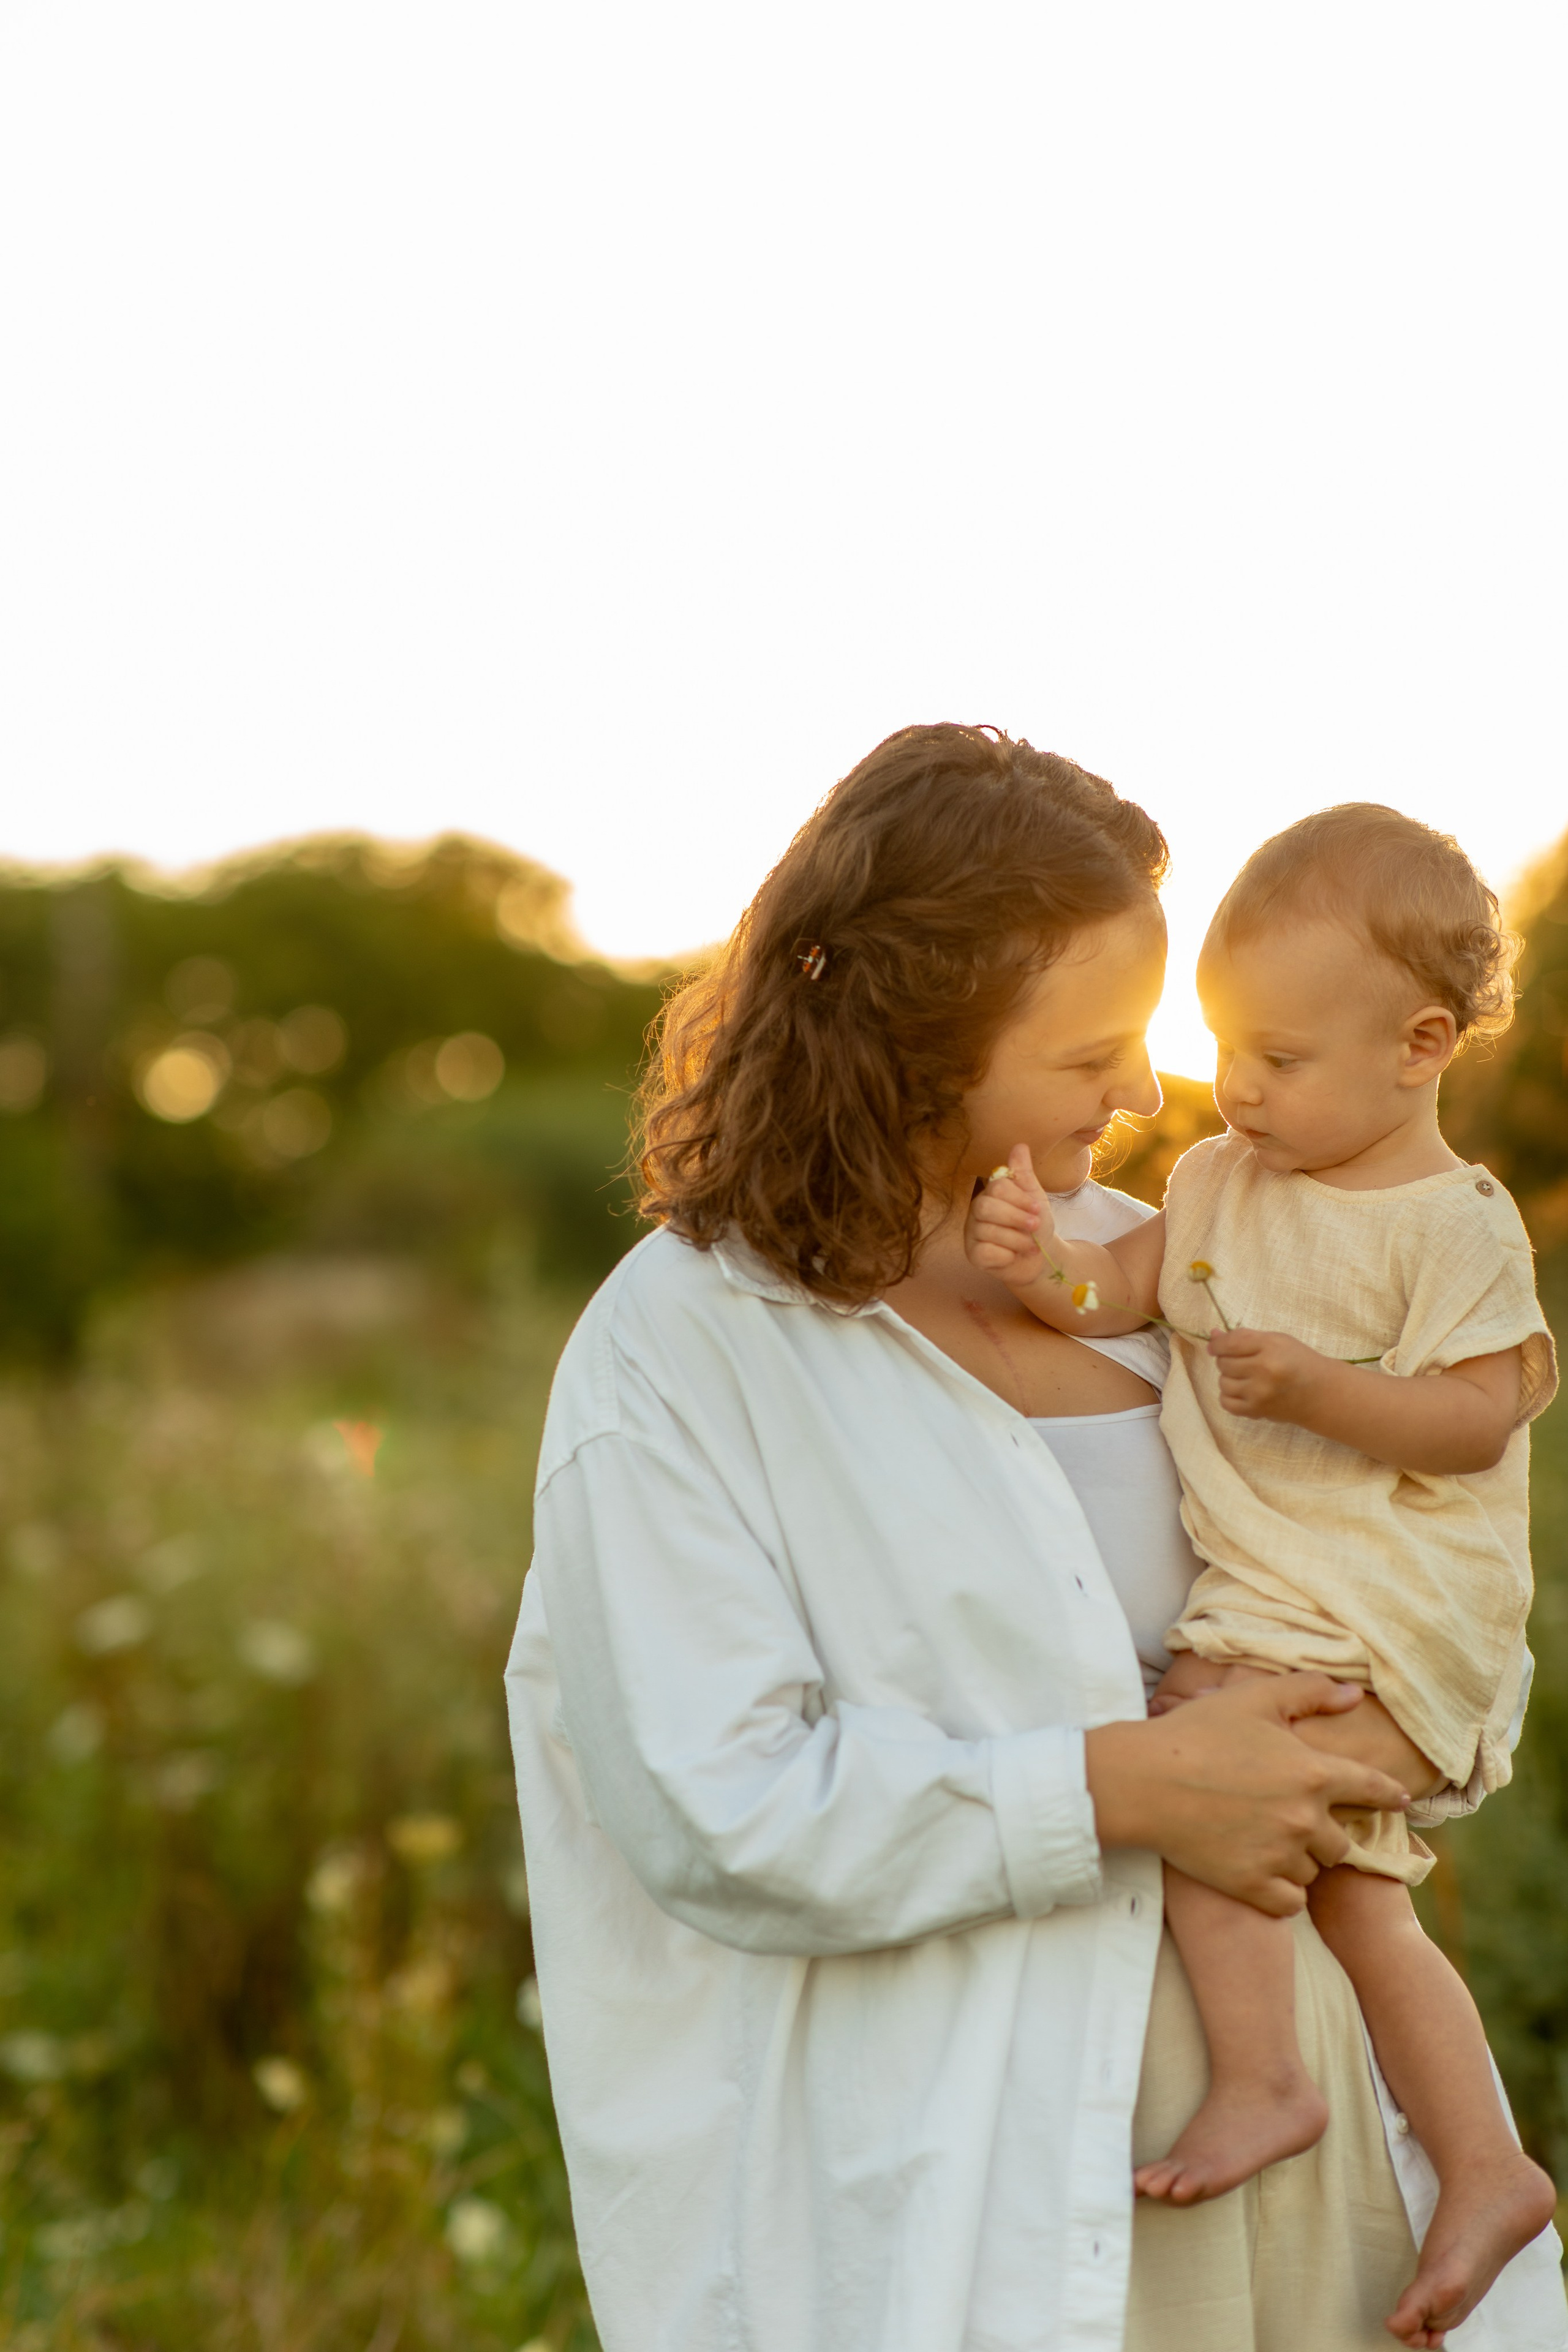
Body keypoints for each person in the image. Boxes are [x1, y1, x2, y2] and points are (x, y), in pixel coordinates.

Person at [505, 727, 1566, 2352]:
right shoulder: (684, 1354)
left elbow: (1426, 1539)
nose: (1148, 1094)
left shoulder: (1175, 1264)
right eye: (1092, 1055)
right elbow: (708, 1807)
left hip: (1321, 2147)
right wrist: (1123, 1788)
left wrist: (1388, 1726)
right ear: (921, 1046)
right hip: (974, 2202)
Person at [967, 804, 1558, 2344]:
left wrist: (1321, 1393)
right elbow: (1124, 1292)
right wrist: (1045, 1269)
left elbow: (1480, 1413)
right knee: (1360, 1903)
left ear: (1418, 1044)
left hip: (1393, 1605)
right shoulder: (1224, 1180)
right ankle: (1486, 2163)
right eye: (1225, 1044)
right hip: (1282, 1596)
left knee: (1199, 1775)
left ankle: (1266, 2082)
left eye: (1279, 1060)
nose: (1231, 1087)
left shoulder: (1453, 1226)